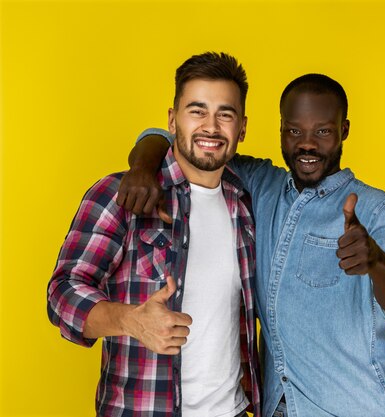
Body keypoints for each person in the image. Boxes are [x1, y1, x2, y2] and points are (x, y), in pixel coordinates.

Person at [119, 74, 385, 417]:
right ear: (281, 129)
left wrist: (376, 260)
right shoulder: (261, 185)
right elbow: (185, 142)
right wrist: (143, 167)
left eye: (323, 131)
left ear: (344, 130)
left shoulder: (380, 209)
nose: (307, 144)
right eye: (295, 131)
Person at [47, 52, 261, 417]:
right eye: (197, 110)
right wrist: (129, 319)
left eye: (224, 114)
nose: (211, 126)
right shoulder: (123, 193)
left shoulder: (245, 204)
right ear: (172, 119)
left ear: (241, 127)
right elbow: (62, 292)